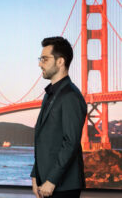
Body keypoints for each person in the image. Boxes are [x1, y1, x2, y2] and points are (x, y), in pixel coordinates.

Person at [31, 37, 87, 198]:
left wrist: (52, 181)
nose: (40, 64)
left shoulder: (71, 96)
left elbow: (70, 142)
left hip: (63, 186)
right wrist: (35, 175)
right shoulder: (50, 94)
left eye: (44, 59)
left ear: (60, 61)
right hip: (46, 183)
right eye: (40, 59)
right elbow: (44, 140)